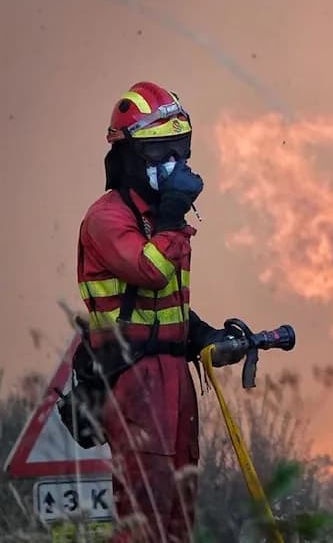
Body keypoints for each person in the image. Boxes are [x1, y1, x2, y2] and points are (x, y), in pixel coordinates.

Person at [75, 81, 232, 542]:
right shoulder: (108, 218)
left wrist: (202, 334)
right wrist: (170, 219)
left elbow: (164, 306)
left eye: (180, 152)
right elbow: (149, 272)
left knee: (179, 507)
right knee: (144, 511)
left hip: (172, 377)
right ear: (130, 158)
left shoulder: (163, 219)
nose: (176, 164)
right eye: (162, 152)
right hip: (134, 377)